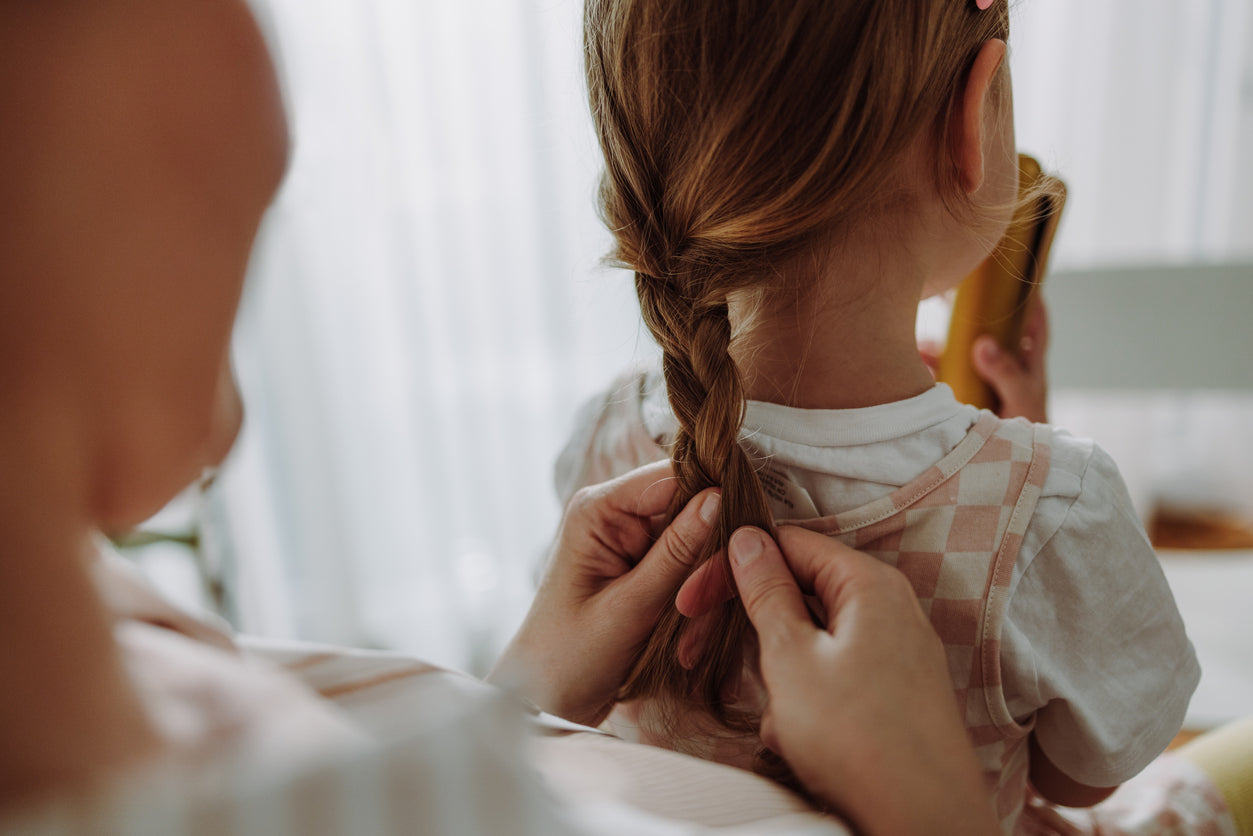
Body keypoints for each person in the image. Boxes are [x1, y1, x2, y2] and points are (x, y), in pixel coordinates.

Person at [0, 1, 1016, 833]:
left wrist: (531, 693)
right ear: (971, 121)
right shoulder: (1043, 503)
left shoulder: (148, 659)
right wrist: (933, 809)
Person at [559, 0, 1210, 830]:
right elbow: (1078, 779)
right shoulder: (1052, 508)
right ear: (970, 121)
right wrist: (1029, 463)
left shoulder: (605, 443)